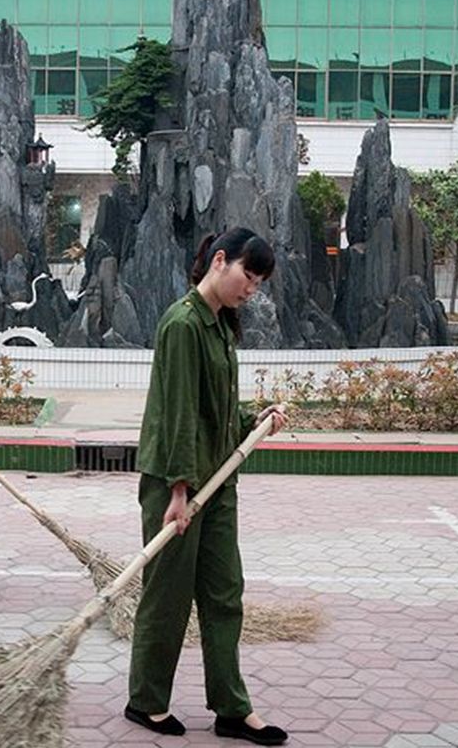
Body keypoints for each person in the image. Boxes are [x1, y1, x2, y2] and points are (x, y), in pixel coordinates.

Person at [124, 227, 289, 745]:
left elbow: (212, 408)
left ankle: (232, 709)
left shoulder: (220, 327)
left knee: (224, 594)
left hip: (217, 482)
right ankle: (145, 701)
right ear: (220, 261)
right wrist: (178, 492)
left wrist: (250, 419)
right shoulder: (182, 325)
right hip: (177, 484)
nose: (251, 289)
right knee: (169, 597)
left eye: (259, 283)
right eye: (248, 275)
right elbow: (176, 416)